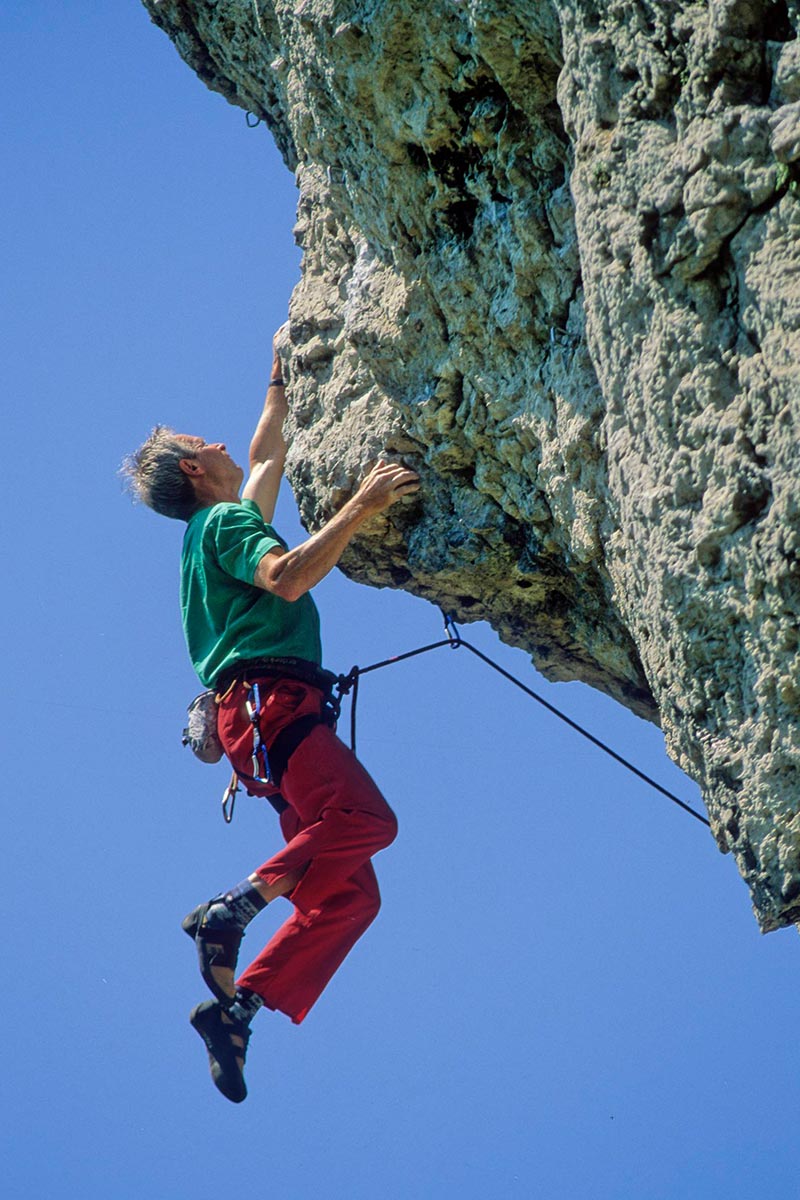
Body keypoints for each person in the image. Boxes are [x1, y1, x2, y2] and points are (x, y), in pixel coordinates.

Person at [122, 329, 420, 1102]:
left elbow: (265, 455)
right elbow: (286, 579)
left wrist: (281, 377)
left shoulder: (210, 530)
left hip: (257, 723)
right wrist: (362, 503)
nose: (220, 440)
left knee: (352, 894)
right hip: (272, 706)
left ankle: (238, 1009)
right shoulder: (222, 527)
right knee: (368, 820)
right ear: (193, 467)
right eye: (201, 440)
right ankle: (234, 907)